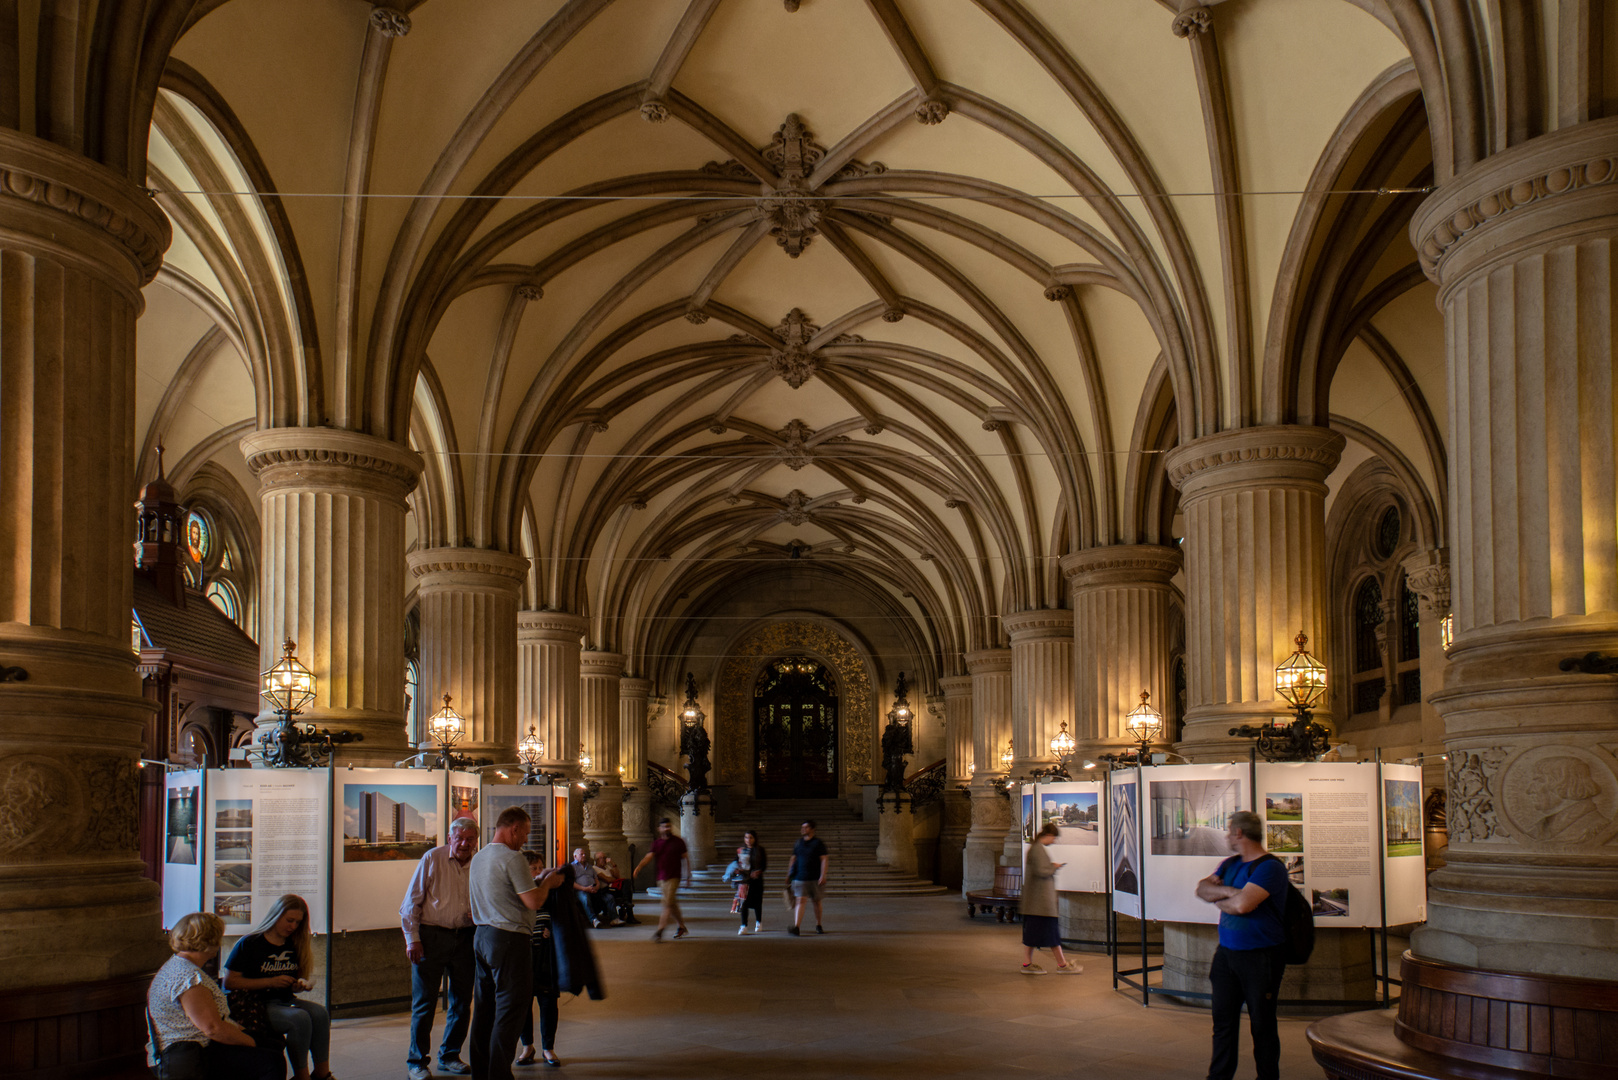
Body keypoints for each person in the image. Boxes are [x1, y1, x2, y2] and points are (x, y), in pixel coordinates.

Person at [470, 807, 563, 1080]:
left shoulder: (479, 857)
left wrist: (534, 882)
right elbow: (533, 901)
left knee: (484, 1010)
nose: (525, 839)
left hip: (482, 937)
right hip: (509, 940)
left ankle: (481, 1073)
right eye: (525, 832)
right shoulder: (512, 858)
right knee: (510, 1010)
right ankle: (499, 1074)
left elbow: (502, 892)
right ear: (513, 829)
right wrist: (548, 882)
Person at [1195, 810, 1290, 1080]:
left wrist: (1225, 898)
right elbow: (1202, 889)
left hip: (1261, 958)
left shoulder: (1270, 867)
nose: (1226, 836)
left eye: (1229, 831)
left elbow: (1243, 905)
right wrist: (1230, 892)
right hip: (1226, 956)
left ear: (1239, 833)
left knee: (1262, 1025)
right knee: (1223, 1024)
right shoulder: (1229, 863)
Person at [147, 911, 281, 1080]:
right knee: (270, 1061)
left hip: (197, 1046)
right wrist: (253, 1042)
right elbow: (212, 1028)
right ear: (210, 941)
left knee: (273, 1046)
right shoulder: (187, 977)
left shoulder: (179, 966)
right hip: (193, 1052)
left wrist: (252, 1037)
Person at [221, 893, 334, 1080]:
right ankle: (302, 1075)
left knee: (320, 1013)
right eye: (289, 920)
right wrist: (270, 981)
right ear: (276, 915)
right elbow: (229, 983)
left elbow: (293, 980)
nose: (293, 927)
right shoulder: (249, 943)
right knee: (300, 1019)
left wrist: (299, 985)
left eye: (298, 922)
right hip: (255, 1003)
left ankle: (322, 1073)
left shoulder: (294, 943)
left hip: (283, 999)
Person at [399, 815, 478, 1079]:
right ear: (449, 839)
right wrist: (413, 939)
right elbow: (411, 902)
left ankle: (450, 1055)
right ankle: (417, 1062)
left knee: (461, 1002)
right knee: (425, 1003)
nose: (465, 844)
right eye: (460, 839)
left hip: (466, 938)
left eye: (470, 839)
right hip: (431, 938)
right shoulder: (432, 858)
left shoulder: (479, 864)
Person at [514, 850, 563, 1068]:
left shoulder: (550, 891)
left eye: (539, 867)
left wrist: (551, 930)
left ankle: (548, 1048)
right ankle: (527, 1046)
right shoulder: (518, 891)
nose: (537, 872)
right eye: (532, 868)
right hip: (524, 955)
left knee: (548, 1002)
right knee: (523, 1003)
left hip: (546, 957)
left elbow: (563, 918)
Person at [1020, 823, 1082, 974]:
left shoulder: (1035, 848)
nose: (1053, 841)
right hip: (1041, 903)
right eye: (1053, 838)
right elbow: (1042, 871)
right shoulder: (1037, 850)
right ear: (1047, 835)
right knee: (1051, 933)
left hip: (1036, 903)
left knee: (1034, 935)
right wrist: (1054, 867)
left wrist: (1051, 866)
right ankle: (1062, 965)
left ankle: (1028, 964)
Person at [632, 818, 690, 941]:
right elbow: (649, 857)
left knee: (667, 904)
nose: (667, 829)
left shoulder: (678, 842)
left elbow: (685, 858)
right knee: (671, 903)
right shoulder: (657, 843)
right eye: (664, 827)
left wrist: (688, 876)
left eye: (668, 826)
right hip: (661, 878)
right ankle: (681, 926)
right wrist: (639, 867)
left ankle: (660, 930)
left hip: (674, 877)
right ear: (660, 828)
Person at [785, 819, 828, 936]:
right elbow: (793, 858)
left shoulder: (818, 843)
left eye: (806, 827)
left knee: (816, 901)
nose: (803, 829)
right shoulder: (798, 843)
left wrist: (823, 875)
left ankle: (818, 924)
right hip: (800, 877)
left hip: (815, 877)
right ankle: (797, 926)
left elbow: (824, 859)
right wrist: (789, 874)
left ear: (813, 829)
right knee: (800, 901)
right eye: (802, 827)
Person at [569, 847, 614, 927]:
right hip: (581, 890)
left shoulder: (589, 866)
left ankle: (614, 918)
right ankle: (593, 919)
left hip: (593, 888)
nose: (584, 855)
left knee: (608, 897)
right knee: (585, 898)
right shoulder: (572, 867)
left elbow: (596, 878)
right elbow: (571, 882)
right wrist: (584, 888)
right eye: (581, 854)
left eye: (584, 854)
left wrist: (597, 886)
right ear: (575, 856)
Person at [737, 830, 767, 935]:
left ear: (754, 838)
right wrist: (737, 869)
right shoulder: (741, 850)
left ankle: (758, 922)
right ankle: (743, 925)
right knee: (744, 903)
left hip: (756, 881)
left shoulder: (760, 850)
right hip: (744, 880)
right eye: (746, 838)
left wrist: (758, 871)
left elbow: (764, 865)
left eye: (750, 838)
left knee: (757, 903)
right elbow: (736, 862)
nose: (748, 840)